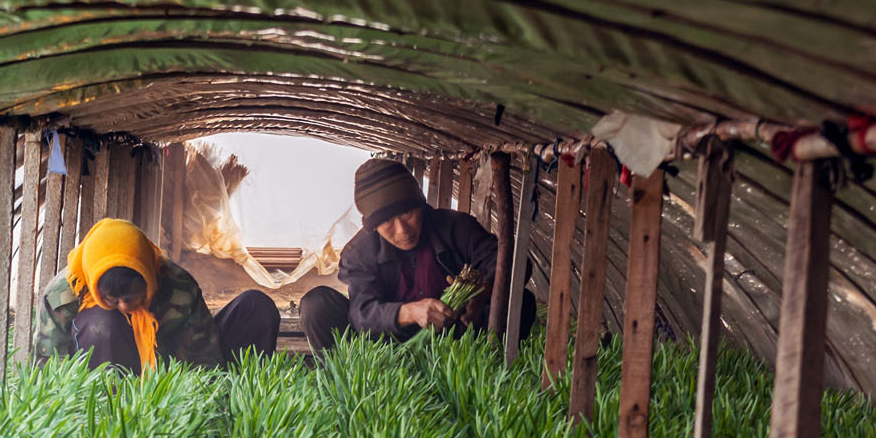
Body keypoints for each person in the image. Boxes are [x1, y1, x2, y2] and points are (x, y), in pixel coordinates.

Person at [302, 158, 535, 356]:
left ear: (421, 205)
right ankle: (344, 378)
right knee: (317, 304)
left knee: (520, 300)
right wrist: (410, 312)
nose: (403, 230)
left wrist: (483, 292)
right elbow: (363, 314)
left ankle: (490, 368)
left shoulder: (454, 227)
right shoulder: (359, 252)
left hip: (455, 335)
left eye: (408, 213)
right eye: (387, 223)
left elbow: (514, 264)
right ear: (373, 226)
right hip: (385, 344)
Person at [32, 218, 281, 374]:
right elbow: (49, 365)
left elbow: (202, 355)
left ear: (149, 277)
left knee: (256, 305)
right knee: (101, 323)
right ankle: (110, 414)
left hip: (164, 369)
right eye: (112, 299)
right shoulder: (65, 293)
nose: (125, 306)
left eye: (131, 296)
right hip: (101, 370)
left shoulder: (178, 286)